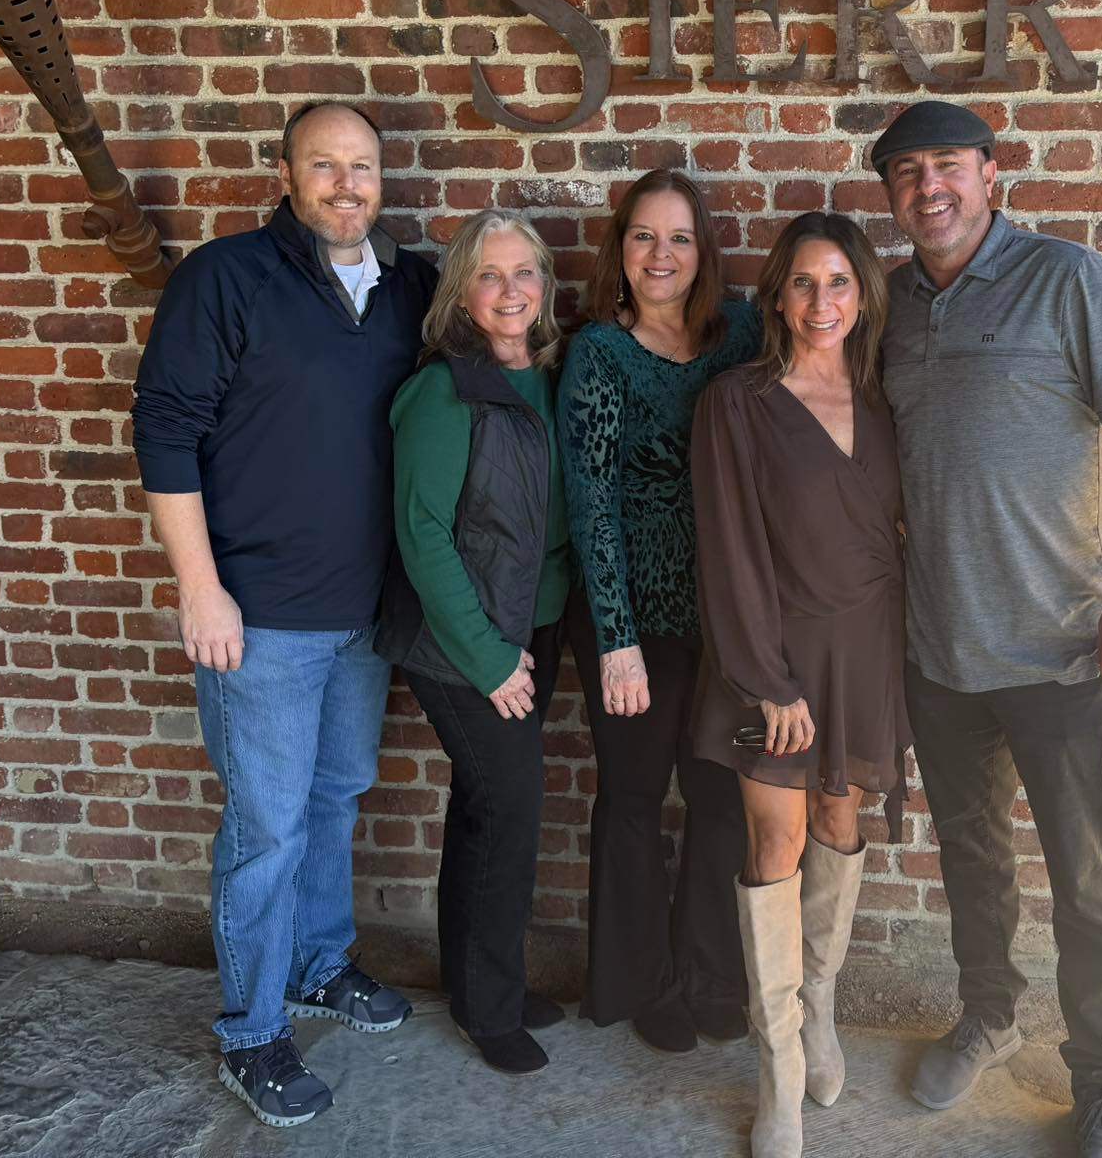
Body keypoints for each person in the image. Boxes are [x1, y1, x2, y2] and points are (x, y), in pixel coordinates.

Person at [873, 101, 1102, 1158]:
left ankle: (1100, 1082)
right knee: (971, 857)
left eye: (946, 166)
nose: (928, 188)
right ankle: (989, 1017)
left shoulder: (1068, 278)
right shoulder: (887, 305)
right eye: (906, 173)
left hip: (1061, 648)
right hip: (939, 649)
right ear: (891, 194)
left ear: (990, 174)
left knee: (1084, 880)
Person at [131, 102, 437, 1128]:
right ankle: (253, 1032)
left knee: (336, 798)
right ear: (287, 175)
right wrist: (199, 586)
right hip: (258, 618)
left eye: (362, 167)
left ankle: (317, 965)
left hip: (364, 614)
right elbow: (165, 432)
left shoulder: (408, 287)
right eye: (324, 165)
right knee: (266, 829)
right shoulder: (224, 280)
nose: (346, 185)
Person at [690, 211, 911, 1158]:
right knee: (775, 838)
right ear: (777, 297)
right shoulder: (736, 402)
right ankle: (778, 1065)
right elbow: (728, 547)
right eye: (804, 283)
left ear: (863, 296)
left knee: (837, 820)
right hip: (770, 655)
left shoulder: (887, 398)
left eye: (840, 283)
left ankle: (819, 1008)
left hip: (866, 651)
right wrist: (767, 680)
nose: (823, 301)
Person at [556, 169, 760, 1051]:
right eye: (644, 236)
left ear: (703, 250)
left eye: (679, 237)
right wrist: (617, 639)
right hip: (631, 618)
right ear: (621, 249)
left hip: (726, 619)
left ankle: (714, 976)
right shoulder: (600, 353)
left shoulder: (742, 335)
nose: (661, 254)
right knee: (635, 797)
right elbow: (591, 501)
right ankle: (645, 985)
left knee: (720, 799)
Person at [376, 209, 580, 1076]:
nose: (509, 290)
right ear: (461, 293)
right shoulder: (442, 393)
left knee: (485, 808)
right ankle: (490, 1010)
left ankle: (475, 982)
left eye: (524, 271)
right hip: (463, 641)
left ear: (545, 285)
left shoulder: (553, 377)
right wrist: (491, 658)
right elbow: (422, 534)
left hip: (536, 625)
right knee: (511, 809)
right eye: (489, 275)